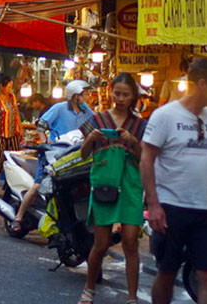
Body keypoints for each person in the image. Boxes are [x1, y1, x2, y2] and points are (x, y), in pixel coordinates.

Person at [141, 57, 207, 304]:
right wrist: (153, 205)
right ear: (202, 83)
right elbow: (146, 159)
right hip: (171, 207)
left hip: (205, 209)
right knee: (167, 272)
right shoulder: (164, 115)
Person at [78, 73, 149, 304]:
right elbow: (83, 154)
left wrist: (132, 141)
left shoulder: (139, 125)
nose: (120, 98)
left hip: (131, 184)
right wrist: (91, 139)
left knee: (130, 241)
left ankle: (131, 298)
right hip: (104, 184)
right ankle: (89, 290)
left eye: (125, 94)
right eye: (117, 93)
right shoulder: (98, 120)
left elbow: (144, 158)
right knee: (101, 243)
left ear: (133, 97)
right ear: (111, 92)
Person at [11, 80, 93, 232]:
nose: (88, 97)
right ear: (75, 96)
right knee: (38, 185)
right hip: (53, 153)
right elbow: (41, 125)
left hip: (73, 157)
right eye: (85, 94)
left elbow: (97, 124)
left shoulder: (86, 111)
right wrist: (45, 143)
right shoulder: (60, 108)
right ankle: (19, 217)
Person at [0, 72, 23, 190]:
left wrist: (20, 128)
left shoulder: (12, 97)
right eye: (8, 87)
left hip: (13, 135)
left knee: (13, 160)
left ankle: (11, 187)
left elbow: (16, 113)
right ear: (1, 86)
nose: (9, 89)